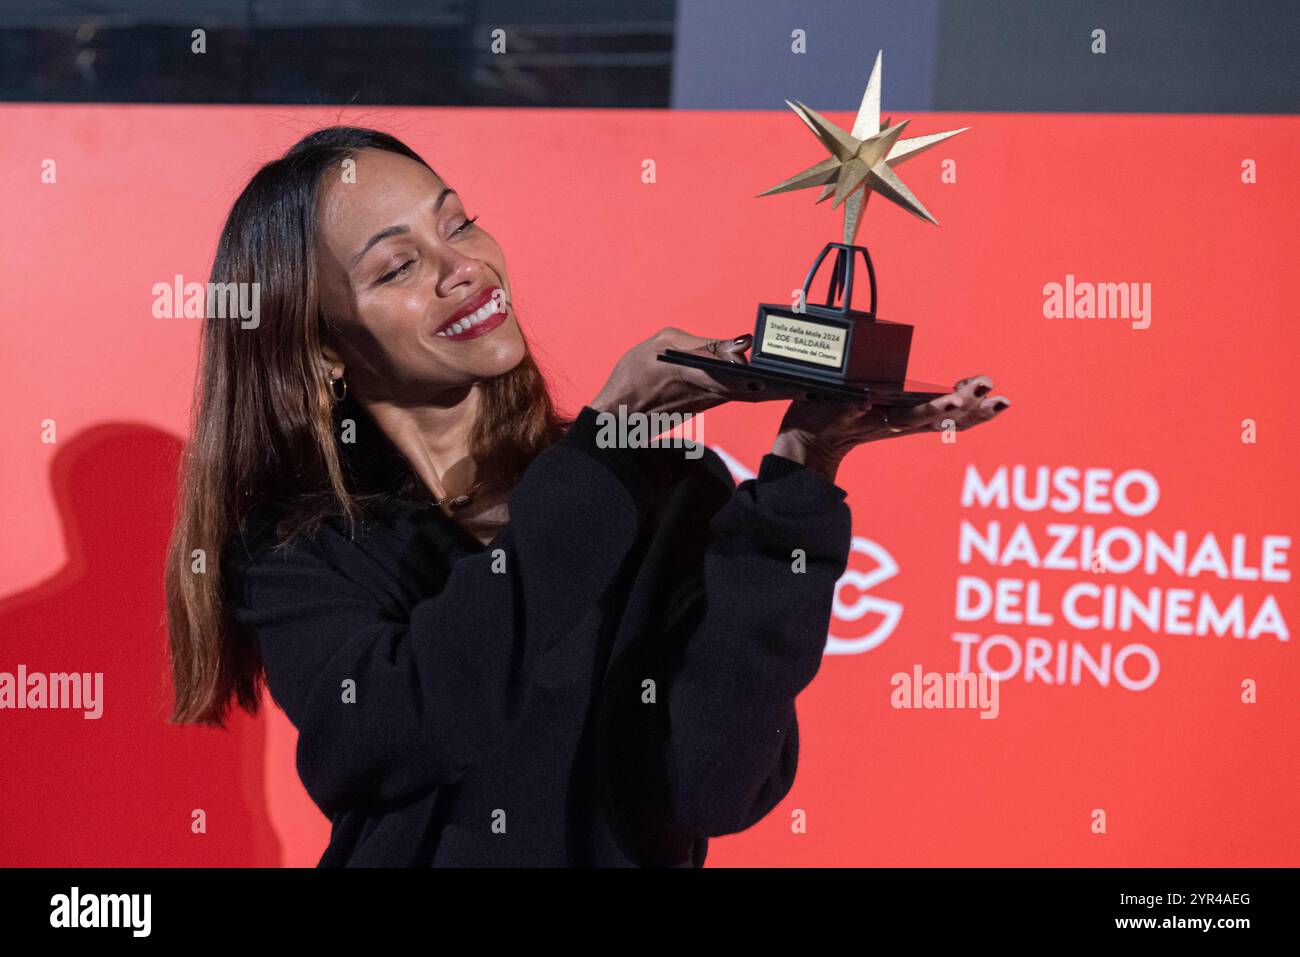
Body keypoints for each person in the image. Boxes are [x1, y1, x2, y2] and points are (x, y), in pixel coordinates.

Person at [165, 126, 1011, 867]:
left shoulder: (665, 488)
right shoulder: (302, 549)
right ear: (324, 349)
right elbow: (409, 726)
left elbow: (712, 786)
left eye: (457, 221)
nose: (462, 268)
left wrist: (802, 471)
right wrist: (603, 444)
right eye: (398, 267)